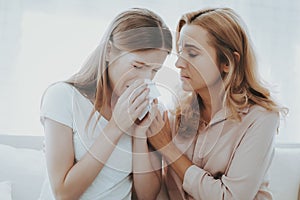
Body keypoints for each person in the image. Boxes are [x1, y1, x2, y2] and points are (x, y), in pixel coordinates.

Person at [147, 8, 287, 200]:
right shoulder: (177, 112)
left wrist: (167, 148)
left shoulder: (261, 118)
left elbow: (230, 197)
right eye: (180, 52)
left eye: (192, 54)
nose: (178, 63)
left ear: (228, 62)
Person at [39, 8, 172, 200]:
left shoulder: (150, 109)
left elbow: (146, 196)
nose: (145, 79)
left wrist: (140, 135)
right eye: (137, 66)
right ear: (109, 51)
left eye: (154, 70)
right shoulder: (62, 97)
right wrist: (116, 127)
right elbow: (63, 193)